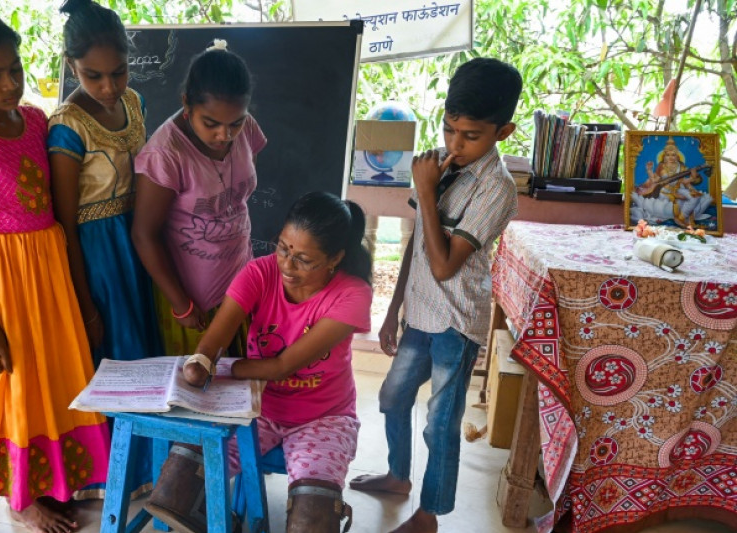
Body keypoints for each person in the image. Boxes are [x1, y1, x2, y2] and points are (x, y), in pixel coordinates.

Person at [0, 6, 109, 532]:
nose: (10, 83)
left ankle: (51, 484)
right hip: (1, 276)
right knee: (10, 384)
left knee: (53, 378)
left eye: (16, 69)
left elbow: (59, 206)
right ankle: (20, 499)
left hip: (49, 266)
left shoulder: (36, 119)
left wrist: (78, 293)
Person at [348, 57, 523, 533]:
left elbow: (446, 265)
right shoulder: (441, 165)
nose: (455, 144)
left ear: (502, 132)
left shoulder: (497, 190)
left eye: (471, 136)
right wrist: (392, 312)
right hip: (419, 314)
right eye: (449, 129)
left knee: (440, 423)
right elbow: (418, 246)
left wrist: (425, 193)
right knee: (390, 398)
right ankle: (399, 476)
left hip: (456, 322)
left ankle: (430, 515)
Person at [145, 192, 373, 533]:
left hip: (323, 416)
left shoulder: (352, 294)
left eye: (304, 259)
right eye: (283, 248)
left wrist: (224, 368)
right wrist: (200, 361)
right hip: (255, 406)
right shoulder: (259, 272)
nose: (287, 265)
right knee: (177, 486)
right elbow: (215, 339)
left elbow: (282, 367)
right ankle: (225, 522)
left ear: (335, 258)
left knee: (313, 514)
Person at [47, 0, 163, 500]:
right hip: (97, 254)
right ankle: (110, 480)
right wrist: (85, 298)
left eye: (119, 72)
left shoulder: (132, 102)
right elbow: (66, 222)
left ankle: (151, 469)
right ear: (71, 65)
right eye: (94, 76)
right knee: (113, 360)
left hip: (138, 238)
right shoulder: (66, 126)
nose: (109, 86)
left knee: (145, 353)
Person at [131, 41, 266, 356]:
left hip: (241, 283)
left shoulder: (246, 129)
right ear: (187, 105)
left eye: (235, 122)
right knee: (198, 388)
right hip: (192, 300)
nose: (225, 135)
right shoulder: (166, 153)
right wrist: (182, 304)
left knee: (242, 385)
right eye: (211, 123)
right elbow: (144, 234)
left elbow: (239, 196)